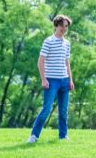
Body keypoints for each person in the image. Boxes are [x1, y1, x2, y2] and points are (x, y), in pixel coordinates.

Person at [27, 14, 74, 143]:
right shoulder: (48, 41)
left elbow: (67, 63)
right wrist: (44, 79)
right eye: (62, 26)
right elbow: (40, 62)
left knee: (63, 111)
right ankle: (34, 136)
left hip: (64, 81)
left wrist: (70, 80)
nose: (64, 29)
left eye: (66, 26)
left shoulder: (67, 44)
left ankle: (63, 136)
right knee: (46, 109)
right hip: (51, 81)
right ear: (56, 26)